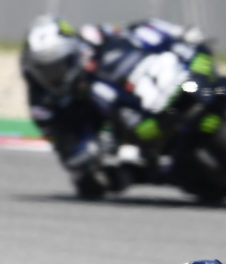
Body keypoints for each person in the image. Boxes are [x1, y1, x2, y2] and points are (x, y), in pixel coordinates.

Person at [20, 14, 204, 198]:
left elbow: (139, 27)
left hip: (141, 86)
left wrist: (175, 33)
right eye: (45, 70)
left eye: (58, 66)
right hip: (108, 129)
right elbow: (65, 146)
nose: (54, 75)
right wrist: (93, 150)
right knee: (93, 183)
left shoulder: (91, 37)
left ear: (73, 51)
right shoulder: (41, 103)